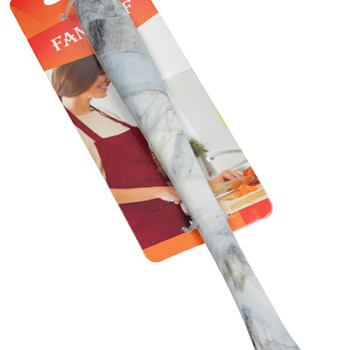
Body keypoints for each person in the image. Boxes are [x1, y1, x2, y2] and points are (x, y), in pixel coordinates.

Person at [51, 55, 240, 249]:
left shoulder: (107, 115)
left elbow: (149, 170)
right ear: (77, 76)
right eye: (101, 73)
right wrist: (160, 191)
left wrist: (210, 185)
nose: (108, 79)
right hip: (144, 230)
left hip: (171, 218)